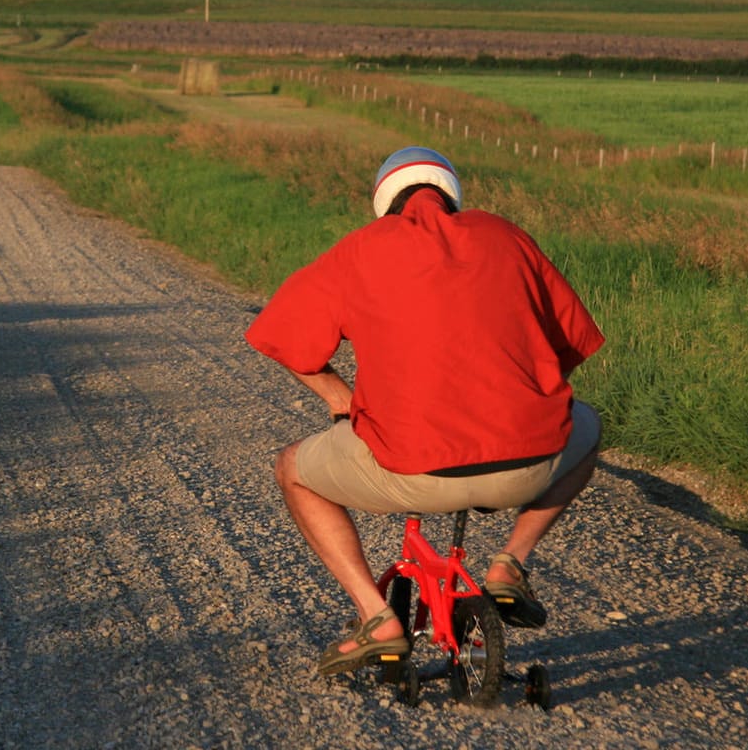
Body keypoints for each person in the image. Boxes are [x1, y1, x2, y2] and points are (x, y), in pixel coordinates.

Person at [245, 146, 604, 676]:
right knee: (591, 428)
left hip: (408, 469)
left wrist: (339, 399)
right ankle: (509, 564)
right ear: (452, 193)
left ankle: (376, 618)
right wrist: (527, 401)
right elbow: (572, 342)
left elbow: (276, 335)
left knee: (292, 471)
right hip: (525, 469)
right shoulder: (506, 236)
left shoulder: (361, 249)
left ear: (384, 202)